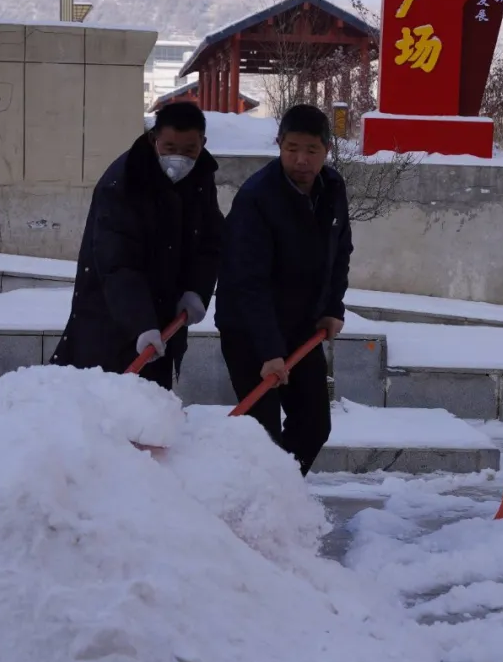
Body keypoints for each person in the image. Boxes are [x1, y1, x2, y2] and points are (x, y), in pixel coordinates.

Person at [214, 104, 353, 477]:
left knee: (313, 425)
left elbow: (339, 252)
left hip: (300, 326)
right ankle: (255, 504)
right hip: (249, 329)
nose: (300, 159)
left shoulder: (333, 187)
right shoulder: (257, 197)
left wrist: (332, 307)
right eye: (291, 148)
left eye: (311, 150)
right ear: (279, 145)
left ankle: (279, 497)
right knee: (262, 433)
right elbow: (248, 281)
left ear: (326, 149)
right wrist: (270, 351)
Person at [50, 101, 224, 389]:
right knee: (106, 409)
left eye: (189, 150)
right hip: (112, 316)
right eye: (169, 148)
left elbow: (209, 239)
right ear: (153, 138)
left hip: (166, 320)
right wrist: (140, 323)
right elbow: (117, 262)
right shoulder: (123, 182)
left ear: (202, 144)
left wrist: (197, 290)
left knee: (150, 410)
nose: (178, 158)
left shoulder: (201, 176)